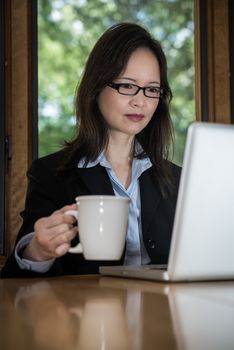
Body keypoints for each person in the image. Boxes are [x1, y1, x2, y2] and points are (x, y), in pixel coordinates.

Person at [1, 22, 181, 278]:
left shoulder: (178, 180)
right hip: (88, 315)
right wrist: (37, 251)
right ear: (96, 88)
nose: (140, 101)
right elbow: (15, 282)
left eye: (152, 89)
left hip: (165, 315)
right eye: (127, 85)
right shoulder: (51, 174)